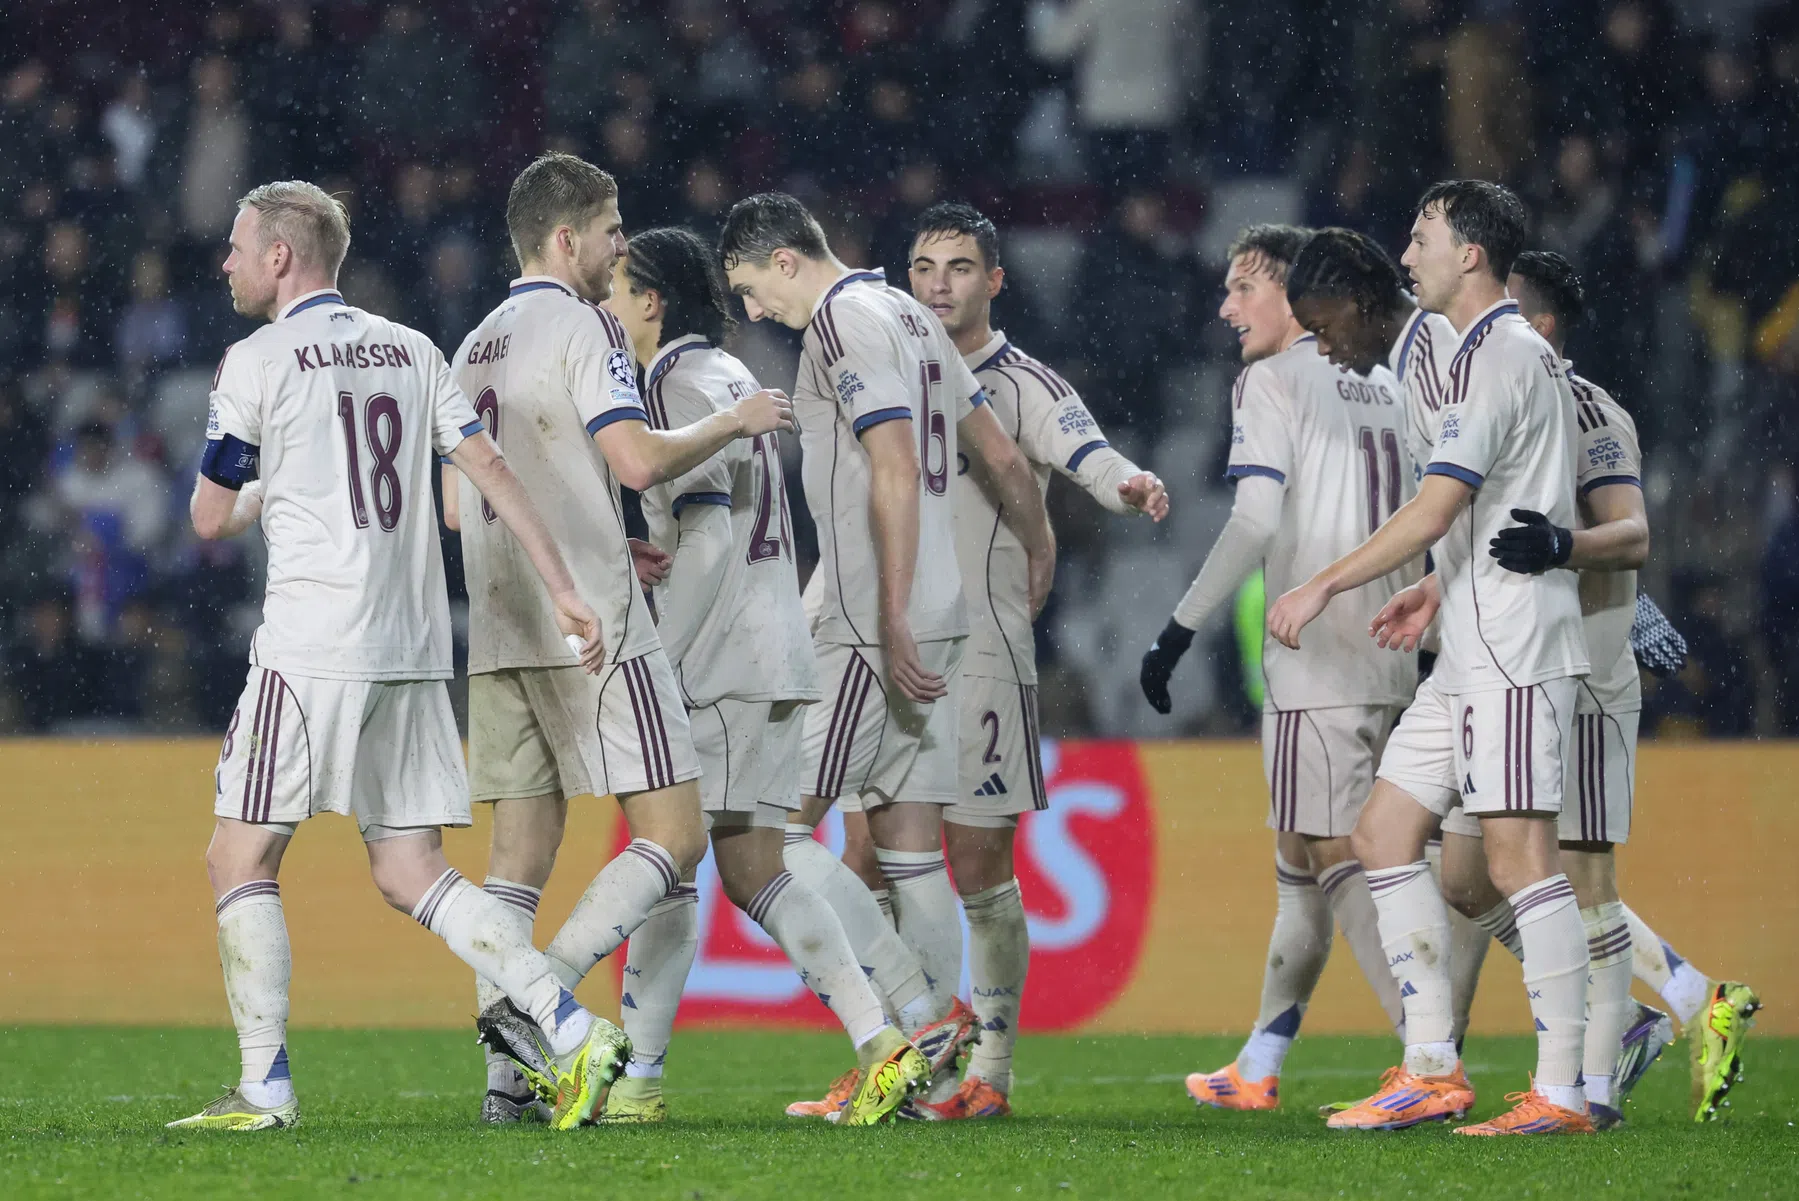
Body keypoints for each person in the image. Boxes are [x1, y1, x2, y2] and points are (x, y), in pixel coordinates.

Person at [437, 154, 914, 1126]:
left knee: (608, 856)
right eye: (609, 236)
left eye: (624, 262)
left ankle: (554, 1032)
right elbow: (644, 471)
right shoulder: (659, 360)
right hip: (682, 632)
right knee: (712, 856)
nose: (613, 264)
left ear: (651, 300)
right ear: (569, 241)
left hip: (604, 631)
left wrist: (660, 629)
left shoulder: (481, 341)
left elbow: (465, 503)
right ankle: (868, 1037)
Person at [170, 180, 626, 1133]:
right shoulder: (413, 348)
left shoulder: (254, 358)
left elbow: (210, 518)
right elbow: (489, 472)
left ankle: (264, 1087)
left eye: (238, 244)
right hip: (415, 649)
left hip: (310, 644)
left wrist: (257, 495)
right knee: (410, 867)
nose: (227, 261)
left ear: (282, 256)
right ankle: (569, 1025)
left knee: (236, 853)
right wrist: (567, 590)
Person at [718, 192, 1056, 1117]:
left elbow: (896, 465)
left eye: (749, 287)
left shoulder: (840, 320)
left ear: (785, 259)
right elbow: (997, 451)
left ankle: (919, 1013)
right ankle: (936, 1080)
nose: (751, 312)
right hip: (942, 609)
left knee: (772, 833)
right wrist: (1039, 543)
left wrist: (892, 612)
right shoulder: (908, 312)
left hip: (876, 617)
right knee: (910, 849)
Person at [1271, 181, 1595, 1136]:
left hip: (1515, 644)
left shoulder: (1496, 353)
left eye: (1421, 237)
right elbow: (1481, 514)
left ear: (1471, 254)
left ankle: (1563, 1091)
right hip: (1470, 636)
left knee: (1517, 857)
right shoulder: (1462, 353)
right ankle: (1429, 1067)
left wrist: (1324, 582)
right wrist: (1436, 585)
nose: (1404, 253)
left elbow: (1437, 506)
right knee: (1382, 832)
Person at [1419, 250, 1759, 1125]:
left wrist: (1568, 552)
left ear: (1538, 324)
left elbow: (1631, 531)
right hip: (1503, 667)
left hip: (1584, 674)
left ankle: (1594, 1084)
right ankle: (1679, 994)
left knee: (1579, 876)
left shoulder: (1586, 408)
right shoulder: (1485, 396)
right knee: (1463, 872)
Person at [597, 225, 923, 1123]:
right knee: (750, 867)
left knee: (672, 856)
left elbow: (707, 537)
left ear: (652, 300)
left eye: (618, 291)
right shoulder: (732, 378)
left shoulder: (673, 381)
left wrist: (660, 659)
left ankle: (633, 1068)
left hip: (719, 657)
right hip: (774, 644)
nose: (607, 308)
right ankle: (884, 1039)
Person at [1138, 223, 1413, 1111]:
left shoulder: (1269, 379)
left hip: (1316, 656)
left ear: (1294, 295)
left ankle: (1427, 1054)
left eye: (1242, 287)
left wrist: (1177, 630)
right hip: (1399, 647)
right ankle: (1258, 1062)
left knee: (1336, 856)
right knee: (1303, 856)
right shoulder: (1388, 377)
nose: (1226, 308)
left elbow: (1255, 521)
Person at [902, 202, 1165, 1117]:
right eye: (926, 266)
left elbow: (1086, 450)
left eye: (961, 267)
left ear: (995, 281)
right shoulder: (883, 375)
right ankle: (904, 1053)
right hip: (890, 649)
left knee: (976, 864)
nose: (941, 284)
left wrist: (1126, 484)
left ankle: (991, 1070)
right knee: (867, 855)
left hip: (982, 649)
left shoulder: (1023, 383)